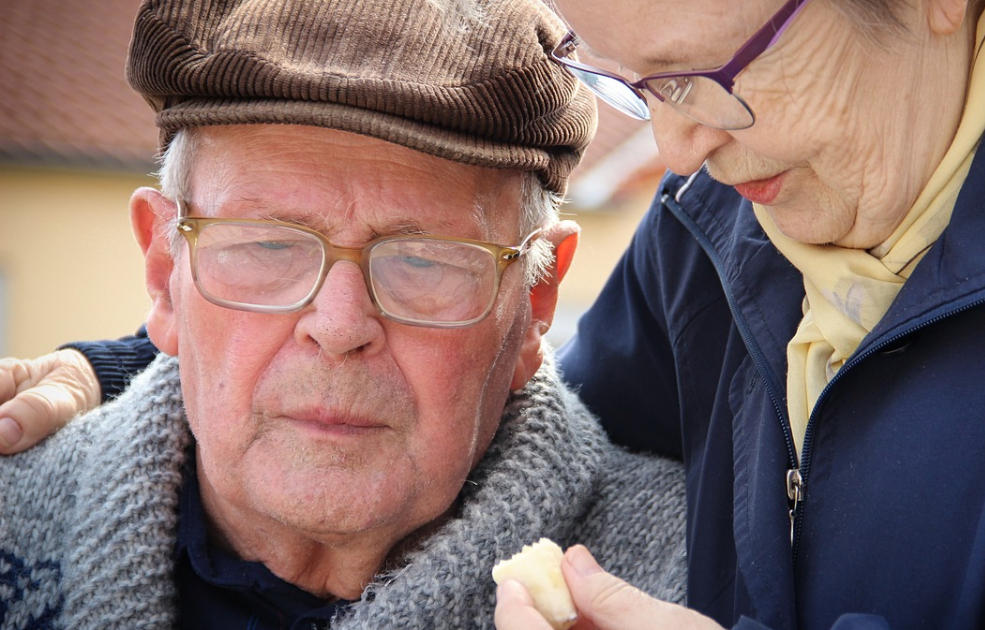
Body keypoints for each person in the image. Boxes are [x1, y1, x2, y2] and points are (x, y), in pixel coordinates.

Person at [5, 0, 985, 628]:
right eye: (632, 86)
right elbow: (488, 390)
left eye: (712, 72)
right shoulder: (720, 225)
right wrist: (123, 382)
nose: (676, 150)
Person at [0, 0, 687, 627]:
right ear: (163, 272)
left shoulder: (696, 577)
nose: (337, 326)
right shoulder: (12, 517)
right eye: (268, 245)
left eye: (422, 260)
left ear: (534, 303)